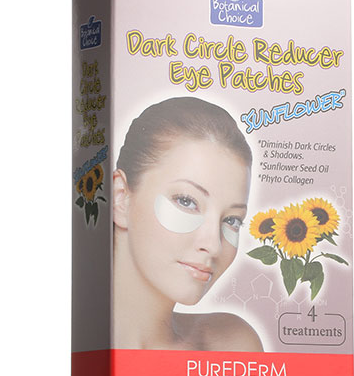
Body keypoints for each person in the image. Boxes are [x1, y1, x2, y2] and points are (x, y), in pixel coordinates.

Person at [113, 96, 263, 351]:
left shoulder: (232, 347)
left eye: (232, 220)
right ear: (121, 198)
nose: (214, 246)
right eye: (186, 201)